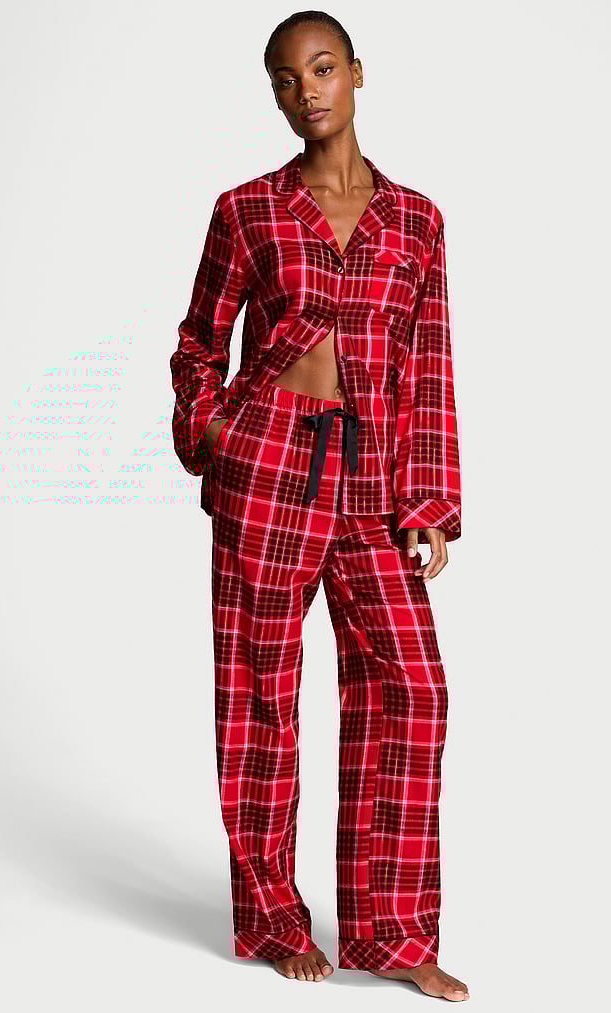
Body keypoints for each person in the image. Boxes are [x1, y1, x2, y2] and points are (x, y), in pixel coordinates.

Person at [169, 11, 468, 1002]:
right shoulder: (246, 211)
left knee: (412, 687)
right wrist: (213, 430)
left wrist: (428, 499)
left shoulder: (416, 222)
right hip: (267, 468)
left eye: (323, 69)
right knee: (260, 697)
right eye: (287, 80)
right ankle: (271, 917)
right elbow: (199, 342)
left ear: (357, 74)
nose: (308, 93)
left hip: (372, 478)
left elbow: (428, 368)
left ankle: (393, 931)